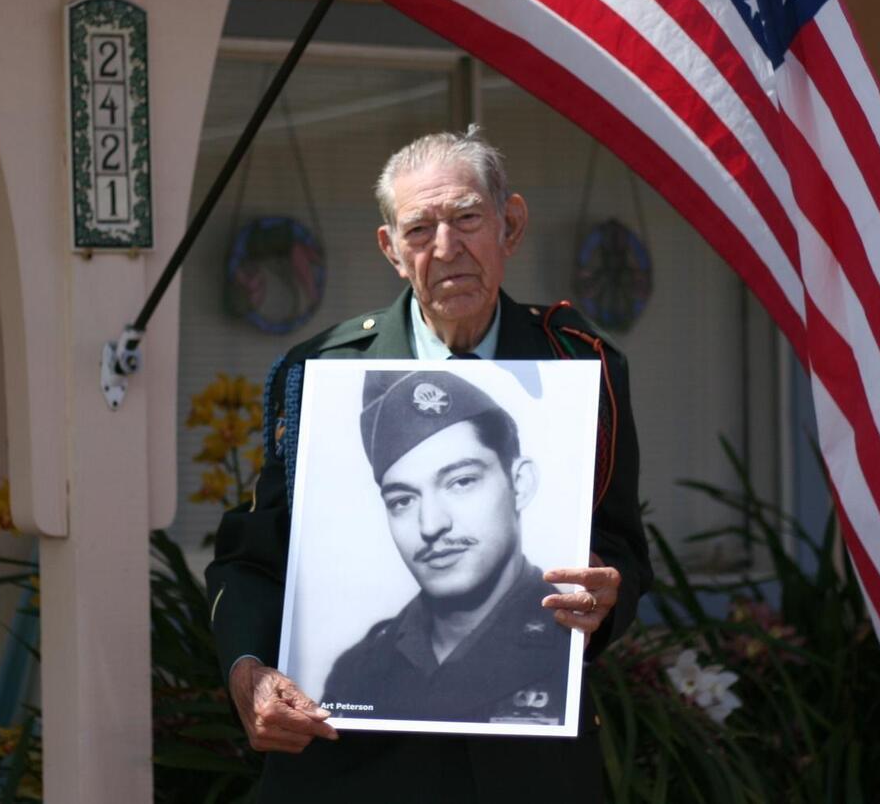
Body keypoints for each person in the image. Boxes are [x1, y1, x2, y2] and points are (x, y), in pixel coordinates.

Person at [206, 126, 652, 803]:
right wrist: (248, 672)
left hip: (526, 773)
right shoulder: (321, 373)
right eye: (419, 229)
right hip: (348, 771)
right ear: (391, 249)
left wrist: (606, 595)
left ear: (511, 225)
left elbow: (620, 540)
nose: (447, 249)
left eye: (468, 219)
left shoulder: (579, 363)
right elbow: (256, 559)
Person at [320, 369, 570, 725]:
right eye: (402, 500)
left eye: (461, 482)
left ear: (520, 483)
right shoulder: (357, 669)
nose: (431, 525)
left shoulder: (574, 643)